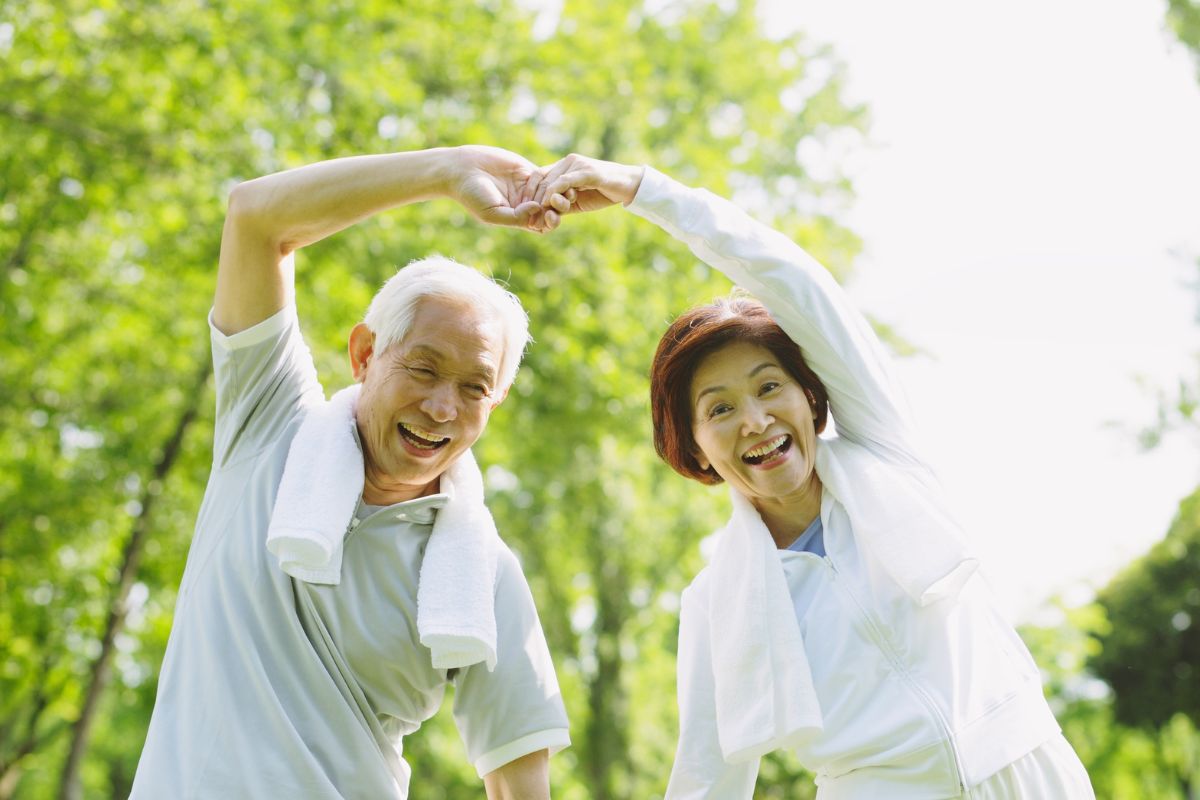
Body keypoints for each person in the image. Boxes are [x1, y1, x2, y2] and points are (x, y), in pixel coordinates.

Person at [531, 154, 1096, 798]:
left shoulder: (888, 459)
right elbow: (706, 777)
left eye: (769, 387)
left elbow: (796, 285)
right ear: (691, 443)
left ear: (810, 395)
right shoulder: (717, 601)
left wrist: (645, 191)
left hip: (1029, 773)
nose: (755, 420)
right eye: (720, 408)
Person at [130, 146, 571, 800]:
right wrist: (450, 173)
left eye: (475, 388)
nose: (442, 406)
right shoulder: (271, 423)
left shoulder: (485, 574)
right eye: (423, 370)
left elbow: (520, 783)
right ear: (365, 353)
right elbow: (255, 217)